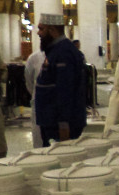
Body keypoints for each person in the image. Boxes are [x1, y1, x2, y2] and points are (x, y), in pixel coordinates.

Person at [34, 13, 88, 143]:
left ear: (52, 30)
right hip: (51, 121)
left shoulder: (64, 53)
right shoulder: (56, 51)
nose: (38, 33)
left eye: (41, 29)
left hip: (60, 126)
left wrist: (64, 125)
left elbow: (65, 91)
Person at [24, 49, 46, 148]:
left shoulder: (66, 54)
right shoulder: (34, 58)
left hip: (60, 107)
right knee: (39, 140)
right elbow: (29, 82)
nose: (39, 32)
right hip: (39, 104)